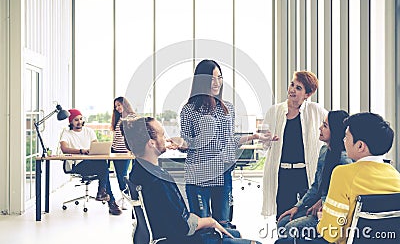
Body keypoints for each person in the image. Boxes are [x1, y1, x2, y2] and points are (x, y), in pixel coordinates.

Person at [123, 116, 261, 244]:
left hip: (166, 234)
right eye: (162, 135)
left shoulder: (138, 171)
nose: (165, 138)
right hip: (181, 239)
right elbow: (183, 227)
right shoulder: (158, 181)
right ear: (151, 143)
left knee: (234, 233)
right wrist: (210, 222)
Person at [180, 59, 268, 228]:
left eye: (219, 77)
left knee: (224, 223)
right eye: (211, 78)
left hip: (223, 173)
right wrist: (183, 143)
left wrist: (253, 136)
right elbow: (187, 142)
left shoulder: (228, 108)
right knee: (202, 225)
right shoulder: (189, 109)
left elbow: (229, 140)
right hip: (198, 174)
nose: (217, 82)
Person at [314, 112, 400, 244]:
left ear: (360, 146)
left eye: (346, 136)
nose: (343, 140)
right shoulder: (395, 175)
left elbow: (330, 233)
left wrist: (321, 219)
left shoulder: (343, 174)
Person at [261, 71, 327, 220]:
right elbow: (264, 146)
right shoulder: (274, 111)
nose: (292, 90)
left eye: (298, 88)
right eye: (292, 85)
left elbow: (332, 128)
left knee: (307, 215)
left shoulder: (315, 111)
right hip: (283, 173)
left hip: (305, 173)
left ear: (307, 94)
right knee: (283, 216)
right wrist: (266, 138)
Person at [276, 110, 353, 239]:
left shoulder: (344, 160)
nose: (320, 128)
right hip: (319, 207)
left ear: (335, 130)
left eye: (325, 126)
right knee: (282, 222)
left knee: (290, 227)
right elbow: (316, 186)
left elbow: (344, 196)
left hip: (330, 213)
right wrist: (297, 206)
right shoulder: (324, 151)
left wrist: (322, 202)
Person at [60, 108, 122, 215]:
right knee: (104, 168)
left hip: (93, 163)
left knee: (102, 166)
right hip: (78, 165)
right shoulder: (66, 133)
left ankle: (103, 192)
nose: (79, 122)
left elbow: (96, 146)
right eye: (76, 120)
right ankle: (108, 199)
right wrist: (81, 151)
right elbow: (64, 149)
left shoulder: (89, 131)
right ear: (70, 122)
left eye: (80, 119)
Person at [110, 96, 137, 209]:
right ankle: (124, 197)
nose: (117, 108)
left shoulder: (132, 117)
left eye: (119, 105)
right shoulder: (118, 118)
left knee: (124, 175)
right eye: (116, 106)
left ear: (125, 104)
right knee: (119, 176)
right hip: (115, 150)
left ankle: (128, 197)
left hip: (126, 151)